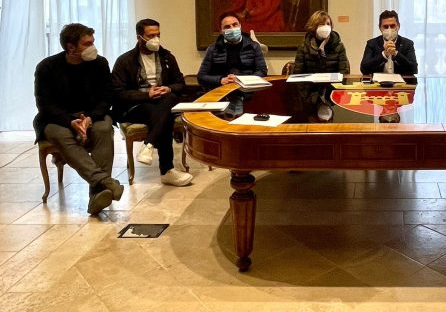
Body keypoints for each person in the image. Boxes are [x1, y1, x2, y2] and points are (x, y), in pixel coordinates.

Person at [33, 23, 124, 215]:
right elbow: (45, 105)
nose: (93, 47)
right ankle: (105, 182)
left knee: (104, 128)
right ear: (71, 47)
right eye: (87, 43)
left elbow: (107, 97)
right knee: (60, 134)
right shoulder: (47, 67)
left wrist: (90, 118)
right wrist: (70, 122)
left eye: (93, 42)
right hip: (57, 119)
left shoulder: (100, 64)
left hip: (92, 115)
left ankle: (97, 195)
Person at [112, 19, 193, 187]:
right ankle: (167, 170)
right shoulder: (124, 61)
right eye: (151, 36)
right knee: (165, 112)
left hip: (162, 103)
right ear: (139, 37)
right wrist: (146, 94)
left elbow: (180, 83)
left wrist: (168, 88)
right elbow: (119, 93)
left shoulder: (167, 57)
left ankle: (149, 145)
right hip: (134, 107)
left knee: (167, 101)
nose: (156, 39)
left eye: (158, 35)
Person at [198, 12, 269, 90]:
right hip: (221, 90)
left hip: (247, 91)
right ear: (221, 31)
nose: (232, 28)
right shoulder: (213, 49)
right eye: (227, 27)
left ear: (240, 25)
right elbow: (201, 76)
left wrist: (240, 79)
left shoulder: (254, 46)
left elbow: (262, 72)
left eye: (235, 25)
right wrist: (220, 80)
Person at [360, 10, 418, 75]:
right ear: (380, 28)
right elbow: (363, 69)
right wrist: (384, 55)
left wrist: (395, 54)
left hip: (401, 80)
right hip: (378, 80)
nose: (389, 29)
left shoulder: (407, 44)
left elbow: (414, 69)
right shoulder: (372, 43)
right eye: (385, 26)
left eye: (392, 26)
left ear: (398, 26)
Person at [293, 10, 350, 75]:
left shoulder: (339, 46)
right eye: (322, 24)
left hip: (333, 81)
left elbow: (344, 72)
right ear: (314, 26)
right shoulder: (303, 47)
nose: (326, 27)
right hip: (311, 81)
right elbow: (298, 73)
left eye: (328, 24)